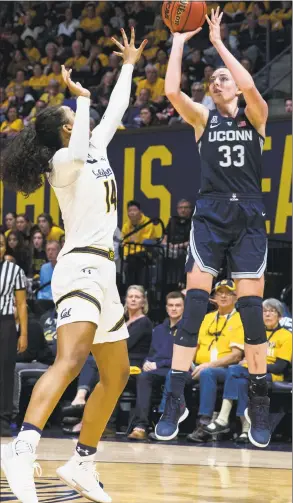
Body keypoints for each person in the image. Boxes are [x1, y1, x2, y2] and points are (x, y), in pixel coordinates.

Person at [1, 27, 147, 503]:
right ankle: (21, 449)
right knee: (70, 358)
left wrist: (127, 65)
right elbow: (81, 143)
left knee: (118, 373)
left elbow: (118, 111)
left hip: (106, 271)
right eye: (74, 114)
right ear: (66, 127)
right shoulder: (63, 162)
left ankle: (82, 460)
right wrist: (81, 98)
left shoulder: (94, 148)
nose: (81, 113)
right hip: (80, 266)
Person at [155, 8, 271, 449]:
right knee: (196, 302)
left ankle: (256, 403)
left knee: (250, 314)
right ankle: (173, 399)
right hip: (209, 214)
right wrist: (181, 38)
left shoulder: (255, 114)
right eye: (214, 79)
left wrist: (220, 42)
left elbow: (250, 85)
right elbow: (170, 89)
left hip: (248, 216)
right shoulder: (204, 120)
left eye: (223, 78)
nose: (217, 82)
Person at [203, 298, 292, 444]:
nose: (268, 315)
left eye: (272, 311)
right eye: (264, 311)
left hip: (272, 375)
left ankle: (223, 418)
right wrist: (251, 365)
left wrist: (253, 364)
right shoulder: (255, 335)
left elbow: (279, 367)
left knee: (234, 370)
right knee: (240, 381)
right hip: (250, 372)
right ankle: (245, 429)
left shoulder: (286, 336)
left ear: (280, 316)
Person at [128, 291, 185, 440]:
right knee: (142, 375)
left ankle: (164, 421)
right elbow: (151, 352)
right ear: (166, 308)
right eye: (171, 305)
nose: (174, 309)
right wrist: (147, 362)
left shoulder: (187, 330)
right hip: (156, 369)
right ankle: (140, 426)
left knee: (152, 376)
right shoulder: (158, 329)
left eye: (178, 305)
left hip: (177, 370)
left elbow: (183, 358)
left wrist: (157, 364)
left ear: (184, 308)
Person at [0, 232, 27, 437]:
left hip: (6, 324)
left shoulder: (15, 270)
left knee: (6, 372)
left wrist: (23, 334)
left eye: (1, 244)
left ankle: (3, 419)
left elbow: (21, 304)